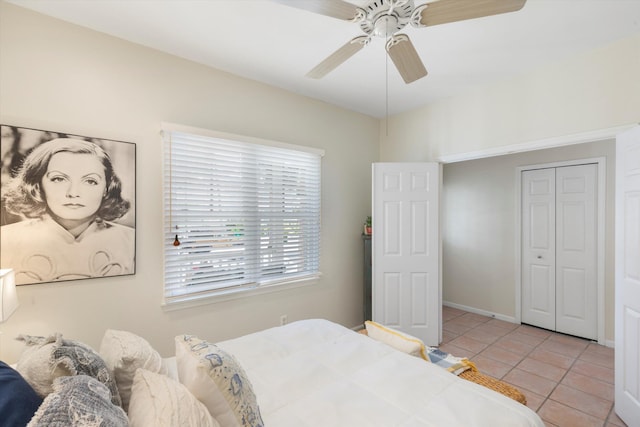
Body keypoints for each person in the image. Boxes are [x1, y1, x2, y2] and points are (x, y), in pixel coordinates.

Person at [0, 138, 134, 285]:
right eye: (59, 179)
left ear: (106, 189)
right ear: (37, 186)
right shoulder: (6, 240)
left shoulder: (130, 241)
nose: (73, 193)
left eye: (90, 181)